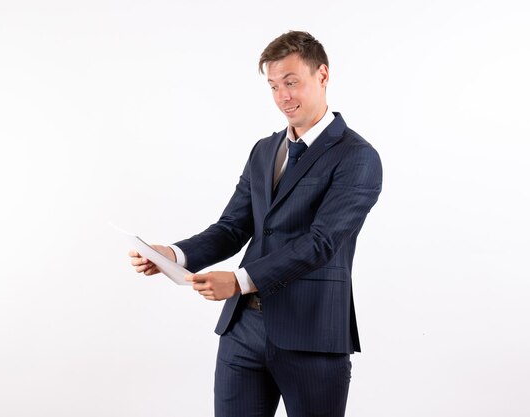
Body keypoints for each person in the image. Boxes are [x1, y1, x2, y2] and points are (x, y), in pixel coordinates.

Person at [129, 30, 382, 417]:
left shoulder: (357, 157)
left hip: (312, 334)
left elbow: (321, 243)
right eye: (274, 85)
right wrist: (175, 254)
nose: (283, 96)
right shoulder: (265, 150)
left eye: (292, 82)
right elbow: (233, 226)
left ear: (323, 76)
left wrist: (240, 279)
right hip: (242, 330)